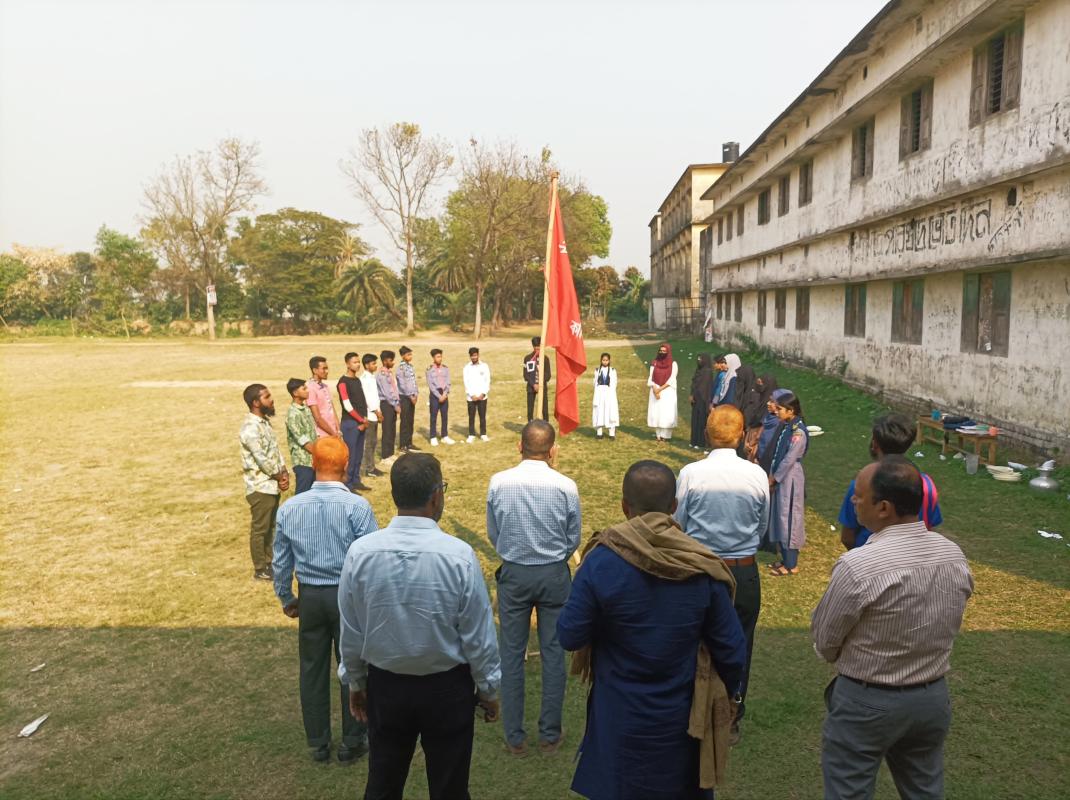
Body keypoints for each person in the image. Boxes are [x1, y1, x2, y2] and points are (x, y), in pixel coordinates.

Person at [558, 460, 748, 800]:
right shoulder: (701, 566)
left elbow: (570, 635)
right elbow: (732, 651)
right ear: (673, 506)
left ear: (624, 506)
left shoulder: (601, 561)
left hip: (618, 719)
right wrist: (727, 696)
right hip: (681, 723)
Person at [337, 453, 502, 800]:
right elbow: (478, 635)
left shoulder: (361, 553)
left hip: (386, 686)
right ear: (436, 496)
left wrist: (356, 681)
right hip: (446, 689)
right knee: (450, 788)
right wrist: (488, 689)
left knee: (383, 783)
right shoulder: (459, 556)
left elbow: (351, 630)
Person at [812, 456, 974, 800]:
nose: (853, 501)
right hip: (931, 698)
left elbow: (825, 641)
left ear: (883, 508)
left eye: (859, 496)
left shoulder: (859, 566)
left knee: (847, 790)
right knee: (924, 789)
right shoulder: (953, 555)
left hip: (867, 699)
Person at [272, 438, 379, 764]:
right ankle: (353, 738)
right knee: (354, 664)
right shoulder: (356, 506)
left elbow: (281, 561)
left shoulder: (290, 508)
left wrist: (287, 596)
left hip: (310, 595)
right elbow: (371, 559)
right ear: (346, 467)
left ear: (314, 465)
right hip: (347, 595)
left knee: (312, 668)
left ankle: (318, 741)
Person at [675, 405, 769, 744]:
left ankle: (695, 709)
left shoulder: (691, 473)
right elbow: (762, 527)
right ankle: (731, 713)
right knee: (740, 643)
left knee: (694, 640)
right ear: (742, 436)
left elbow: (679, 524)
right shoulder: (756, 475)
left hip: (701, 569)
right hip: (742, 569)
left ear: (706, 434)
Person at [487, 420, 581, 757]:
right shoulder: (565, 486)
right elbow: (573, 536)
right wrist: (554, 557)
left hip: (514, 573)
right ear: (553, 450)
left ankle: (515, 737)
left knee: (511, 653)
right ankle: (549, 735)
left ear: (519, 446)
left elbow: (494, 531)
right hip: (554, 574)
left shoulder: (499, 482)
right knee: (554, 652)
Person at [839, 413, 943, 550]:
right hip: (913, 555)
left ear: (874, 444)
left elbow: (847, 537)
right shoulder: (926, 484)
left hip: (870, 557)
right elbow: (930, 526)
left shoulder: (863, 486)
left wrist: (860, 557)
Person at [239, 383, 289, 580]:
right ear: (256, 402)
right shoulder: (250, 428)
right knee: (260, 529)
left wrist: (284, 472)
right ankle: (260, 569)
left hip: (272, 484)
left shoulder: (264, 423)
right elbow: (261, 458)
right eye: (267, 397)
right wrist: (279, 476)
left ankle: (270, 563)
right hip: (260, 487)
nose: (271, 399)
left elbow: (274, 451)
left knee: (272, 527)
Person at [762, 391, 809, 576]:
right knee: (780, 515)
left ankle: (791, 564)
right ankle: (785, 558)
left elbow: (789, 458)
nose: (777, 411)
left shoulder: (798, 431)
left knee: (789, 517)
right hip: (782, 475)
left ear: (791, 410)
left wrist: (774, 477)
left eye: (780, 409)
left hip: (790, 478)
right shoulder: (787, 426)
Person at [337, 352, 371, 492]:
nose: (357, 365)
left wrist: (365, 419)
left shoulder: (357, 380)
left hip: (362, 422)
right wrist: (361, 420)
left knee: (358, 454)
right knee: (350, 456)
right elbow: (347, 406)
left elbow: (361, 402)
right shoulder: (343, 382)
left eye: (358, 362)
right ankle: (347, 484)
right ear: (347, 364)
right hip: (350, 424)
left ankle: (356, 480)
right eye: (354, 362)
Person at [285, 378, 316, 494]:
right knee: (303, 495)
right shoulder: (292, 413)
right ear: (295, 393)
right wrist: (318, 452)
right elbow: (302, 439)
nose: (307, 391)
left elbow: (313, 432)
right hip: (303, 462)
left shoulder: (305, 409)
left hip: (313, 460)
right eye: (304, 389)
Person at [359, 354, 385, 480]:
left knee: (373, 442)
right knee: (368, 443)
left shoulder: (372, 377)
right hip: (370, 415)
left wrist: (379, 411)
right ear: (366, 365)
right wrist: (376, 412)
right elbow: (367, 398)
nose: (375, 365)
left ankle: (371, 466)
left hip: (375, 414)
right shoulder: (364, 379)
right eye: (373, 363)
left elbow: (375, 397)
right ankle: (367, 468)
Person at [647, 342, 678, 442]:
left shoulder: (673, 364)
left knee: (666, 413)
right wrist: (655, 389)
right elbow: (651, 377)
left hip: (667, 391)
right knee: (656, 412)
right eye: (660, 351)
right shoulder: (655, 363)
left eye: (664, 351)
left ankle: (666, 435)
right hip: (655, 390)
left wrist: (660, 389)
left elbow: (672, 379)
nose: (662, 352)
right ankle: (658, 435)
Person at [426, 348, 455, 446]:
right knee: (433, 416)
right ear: (433, 358)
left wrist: (445, 394)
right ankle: (433, 437)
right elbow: (431, 385)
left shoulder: (445, 368)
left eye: (441, 356)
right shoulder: (429, 370)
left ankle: (444, 436)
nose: (440, 358)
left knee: (444, 416)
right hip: (435, 395)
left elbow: (448, 382)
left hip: (444, 394)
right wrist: (439, 396)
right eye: (438, 357)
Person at [307, 356, 341, 440]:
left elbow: (332, 409)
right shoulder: (310, 388)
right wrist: (333, 433)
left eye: (327, 368)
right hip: (322, 435)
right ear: (315, 370)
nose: (327, 371)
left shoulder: (325, 386)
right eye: (324, 369)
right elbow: (317, 418)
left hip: (334, 433)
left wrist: (338, 430)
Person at [377, 350, 401, 463]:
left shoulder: (389, 373)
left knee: (392, 429)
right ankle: (385, 456)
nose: (393, 362)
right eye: (391, 360)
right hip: (387, 404)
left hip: (393, 403)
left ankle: (390, 453)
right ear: (385, 361)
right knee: (387, 430)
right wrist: (395, 405)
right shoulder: (382, 375)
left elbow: (394, 389)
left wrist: (397, 402)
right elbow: (387, 393)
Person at [737, 368, 766, 461]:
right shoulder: (750, 392)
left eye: (760, 383)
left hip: (754, 430)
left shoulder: (760, 397)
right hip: (747, 426)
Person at [463, 346, 491, 443]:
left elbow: (487, 380)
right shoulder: (466, 368)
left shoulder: (484, 366)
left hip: (482, 396)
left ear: (478, 355)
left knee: (482, 416)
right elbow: (466, 382)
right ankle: (471, 434)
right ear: (470, 356)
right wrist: (472, 395)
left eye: (475, 355)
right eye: (472, 356)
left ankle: (483, 434)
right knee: (471, 416)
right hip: (471, 397)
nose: (474, 357)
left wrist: (483, 393)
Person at [396, 346, 420, 453]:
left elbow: (414, 382)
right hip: (405, 397)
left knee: (410, 421)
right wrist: (410, 396)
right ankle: (403, 445)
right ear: (402, 356)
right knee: (405, 421)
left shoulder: (410, 367)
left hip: (412, 397)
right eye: (408, 354)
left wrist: (416, 394)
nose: (410, 356)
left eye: (411, 354)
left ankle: (409, 443)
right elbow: (403, 385)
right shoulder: (400, 368)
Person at [755, 385, 789, 463]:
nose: (768, 403)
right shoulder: (769, 415)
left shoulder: (781, 423)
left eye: (772, 401)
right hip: (760, 456)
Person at [689, 354, 715, 450]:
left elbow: (703, 387)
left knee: (701, 420)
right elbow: (694, 383)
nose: (699, 361)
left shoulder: (707, 372)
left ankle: (701, 442)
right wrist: (692, 394)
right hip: (696, 399)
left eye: (701, 359)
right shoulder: (699, 370)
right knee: (695, 420)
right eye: (698, 359)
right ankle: (694, 440)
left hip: (703, 399)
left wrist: (694, 395)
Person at [591, 352, 619, 440]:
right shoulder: (597, 370)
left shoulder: (613, 370)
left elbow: (614, 383)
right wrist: (599, 390)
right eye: (603, 360)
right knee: (599, 412)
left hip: (609, 394)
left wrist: (609, 392)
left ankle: (611, 433)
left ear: (609, 361)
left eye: (607, 360)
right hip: (599, 395)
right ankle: (599, 432)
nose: (605, 362)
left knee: (610, 412)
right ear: (601, 360)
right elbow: (594, 382)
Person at [524, 336, 551, 422]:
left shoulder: (545, 359)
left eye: (539, 348)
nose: (537, 350)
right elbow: (526, 375)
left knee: (545, 409)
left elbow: (548, 375)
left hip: (542, 387)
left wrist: (540, 383)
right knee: (530, 409)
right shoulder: (528, 358)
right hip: (531, 387)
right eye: (535, 348)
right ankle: (530, 424)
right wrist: (533, 384)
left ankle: (546, 425)